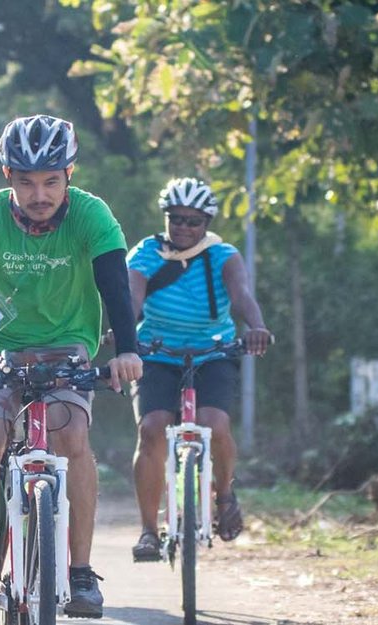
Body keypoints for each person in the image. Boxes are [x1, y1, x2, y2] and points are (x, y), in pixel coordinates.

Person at [0, 114, 142, 624]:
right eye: (26, 182)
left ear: (69, 174)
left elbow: (115, 286)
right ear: (8, 177)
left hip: (65, 350)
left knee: (73, 441)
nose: (39, 193)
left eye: (51, 181)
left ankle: (81, 571)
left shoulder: (93, 215)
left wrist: (127, 350)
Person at [125, 177, 272, 562]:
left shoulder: (223, 255)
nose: (185, 228)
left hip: (213, 352)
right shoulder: (146, 253)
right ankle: (148, 531)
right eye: (177, 219)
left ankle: (224, 495)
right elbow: (132, 298)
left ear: (206, 222)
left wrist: (256, 327)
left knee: (215, 424)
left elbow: (241, 295)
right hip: (157, 352)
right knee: (152, 428)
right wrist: (123, 335)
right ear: (166, 218)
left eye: (194, 221)